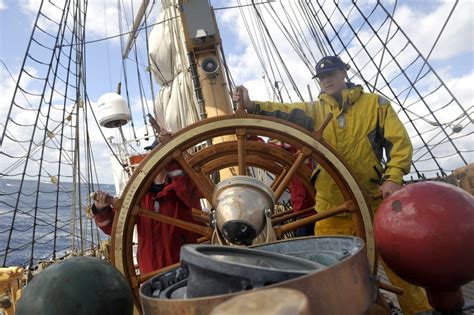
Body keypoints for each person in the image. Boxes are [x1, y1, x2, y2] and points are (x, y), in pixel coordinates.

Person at [233, 55, 432, 315]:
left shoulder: (375, 104)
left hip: (372, 200)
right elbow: (282, 110)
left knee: (397, 264)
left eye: (332, 74)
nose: (326, 80)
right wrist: (252, 105)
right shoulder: (315, 111)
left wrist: (393, 177)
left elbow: (400, 144)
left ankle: (420, 311)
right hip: (331, 206)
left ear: (344, 74)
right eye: (322, 77)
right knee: (329, 271)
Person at [92, 142, 201, 274]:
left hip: (184, 267)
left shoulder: (180, 187)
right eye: (152, 153)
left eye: (160, 153)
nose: (154, 157)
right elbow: (114, 228)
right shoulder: (137, 195)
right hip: (151, 272)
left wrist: (174, 162)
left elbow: (193, 198)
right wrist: (102, 210)